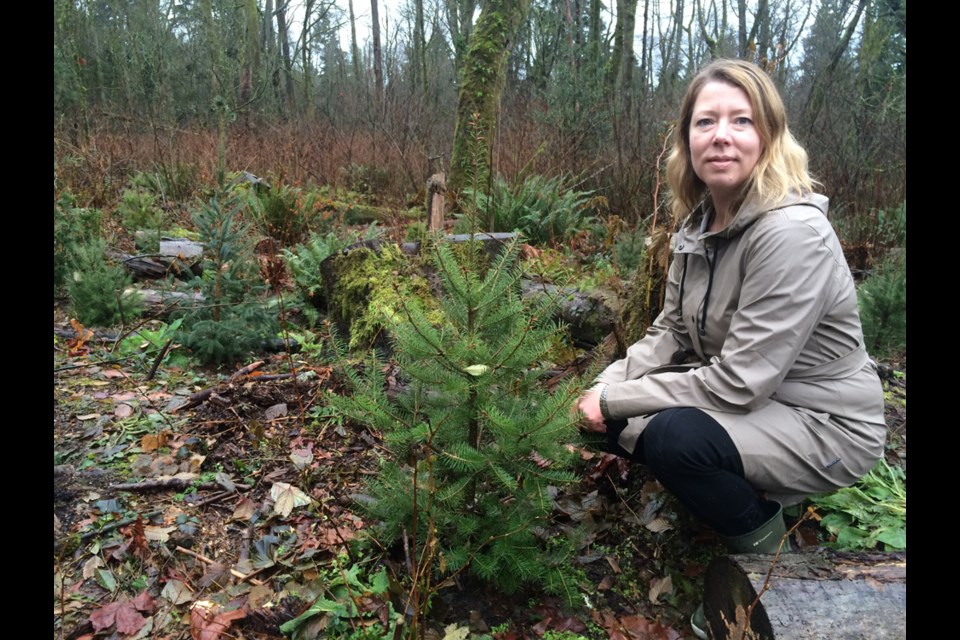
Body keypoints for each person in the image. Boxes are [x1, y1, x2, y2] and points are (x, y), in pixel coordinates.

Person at [575, 59, 887, 638]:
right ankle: (744, 491)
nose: (721, 135)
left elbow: (738, 383)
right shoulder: (699, 225)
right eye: (705, 121)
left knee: (673, 438)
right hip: (760, 405)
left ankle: (768, 560)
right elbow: (668, 331)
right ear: (685, 138)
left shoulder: (790, 233)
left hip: (825, 421)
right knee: (617, 420)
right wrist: (604, 388)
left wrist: (619, 400)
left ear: (768, 138)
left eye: (741, 121)